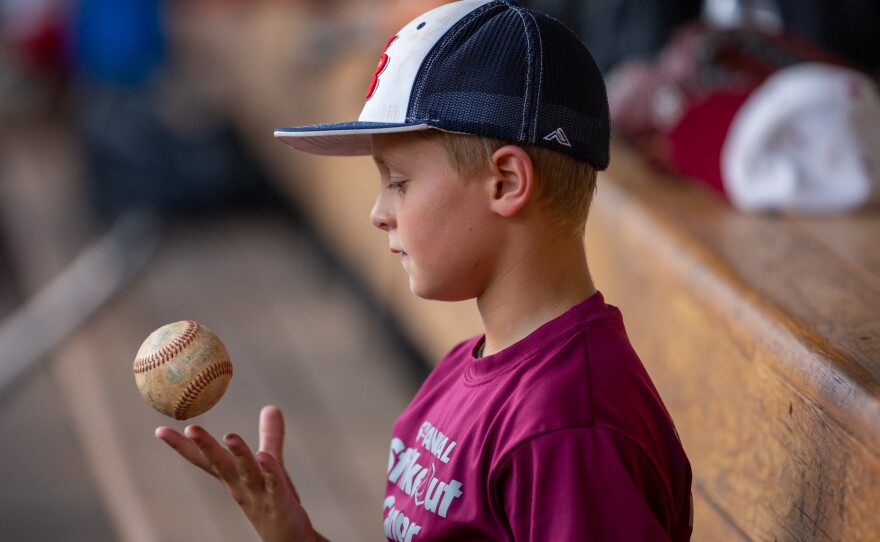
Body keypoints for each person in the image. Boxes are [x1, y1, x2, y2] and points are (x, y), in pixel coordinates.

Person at [155, 1, 694, 540]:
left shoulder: (568, 429)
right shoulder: (467, 373)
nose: (378, 212)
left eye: (398, 181)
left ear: (505, 182)